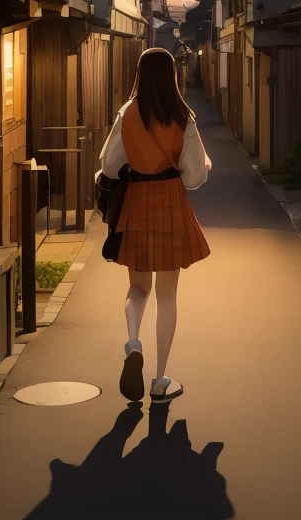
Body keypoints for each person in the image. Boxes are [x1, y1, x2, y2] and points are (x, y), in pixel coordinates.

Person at [99, 47, 212, 404]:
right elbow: (194, 176)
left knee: (137, 288)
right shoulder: (184, 117)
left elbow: (109, 165)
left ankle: (133, 342)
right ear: (171, 75)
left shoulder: (127, 112)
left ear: (139, 74)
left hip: (136, 201)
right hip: (170, 201)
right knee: (167, 295)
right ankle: (160, 380)